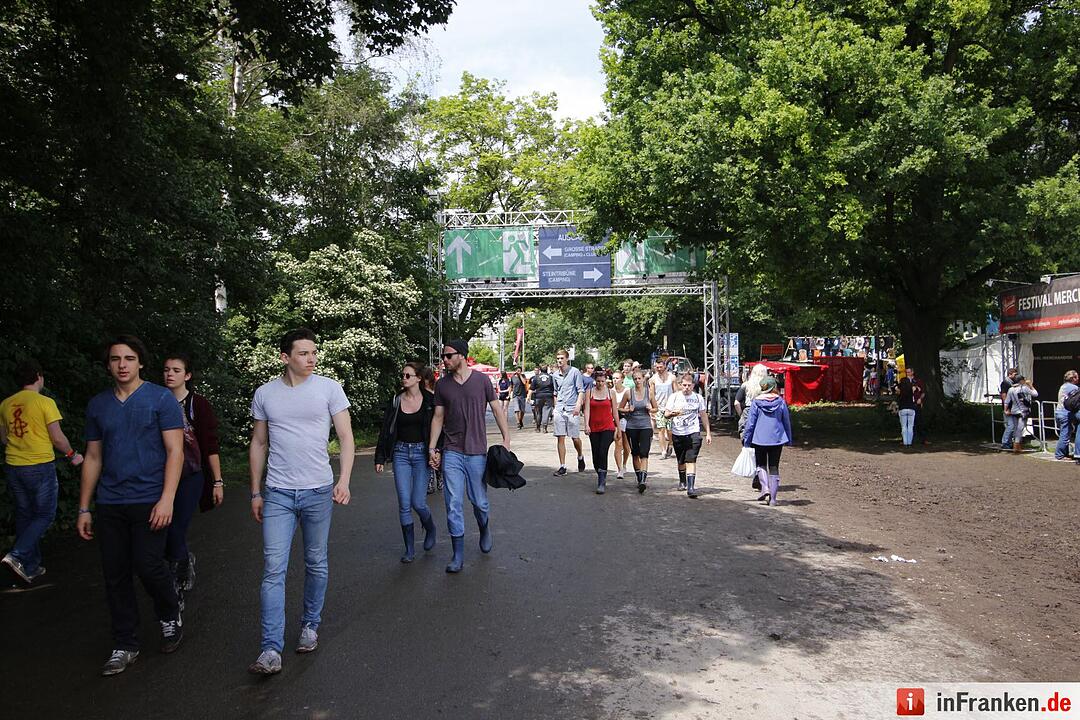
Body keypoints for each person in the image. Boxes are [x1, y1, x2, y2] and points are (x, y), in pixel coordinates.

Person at [248, 328, 354, 675]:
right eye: (304, 353)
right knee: (273, 569)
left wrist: (344, 480)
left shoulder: (328, 388)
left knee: (315, 562)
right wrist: (255, 491)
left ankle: (310, 625)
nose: (311, 358)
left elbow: (345, 437)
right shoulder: (265, 394)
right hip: (277, 491)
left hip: (318, 490)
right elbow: (259, 444)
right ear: (285, 357)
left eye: (314, 352)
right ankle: (270, 649)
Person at [77, 336, 185, 676]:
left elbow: (175, 452)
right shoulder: (98, 405)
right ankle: (125, 643)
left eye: (129, 358)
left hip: (151, 499)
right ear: (108, 364)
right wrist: (84, 507)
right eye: (115, 359)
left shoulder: (160, 399)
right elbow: (93, 456)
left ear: (140, 363)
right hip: (111, 502)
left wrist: (167, 498)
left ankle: (169, 613)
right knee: (115, 574)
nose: (122, 364)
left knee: (149, 565)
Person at [428, 339, 511, 573]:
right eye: (443, 356)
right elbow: (437, 417)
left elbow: (496, 408)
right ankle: (457, 555)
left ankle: (484, 528)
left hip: (476, 452)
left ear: (462, 356)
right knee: (453, 503)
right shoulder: (442, 385)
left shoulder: (482, 381)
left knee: (479, 502)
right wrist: (432, 448)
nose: (444, 360)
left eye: (448, 356)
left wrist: (506, 438)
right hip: (452, 451)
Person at [0, 359, 83, 584]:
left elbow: (3, 438)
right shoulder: (45, 402)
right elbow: (57, 437)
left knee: (25, 515)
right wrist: (72, 455)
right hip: (39, 466)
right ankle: (16, 555)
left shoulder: (6, 404)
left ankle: (31, 566)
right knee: (45, 515)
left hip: (14, 466)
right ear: (38, 376)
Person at [162, 354, 223, 608]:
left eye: (176, 370)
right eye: (166, 370)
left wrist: (218, 481)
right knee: (162, 531)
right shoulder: (155, 401)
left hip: (191, 476)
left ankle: (176, 583)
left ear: (187, 375)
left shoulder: (197, 404)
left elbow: (210, 444)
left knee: (176, 528)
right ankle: (182, 560)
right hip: (160, 477)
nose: (169, 374)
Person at [374, 362, 438, 562]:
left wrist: (437, 451)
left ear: (419, 378)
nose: (404, 378)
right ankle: (409, 549)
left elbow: (439, 427)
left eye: (408, 375)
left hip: (421, 454)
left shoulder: (430, 400)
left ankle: (430, 528)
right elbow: (386, 430)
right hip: (401, 453)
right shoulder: (396, 400)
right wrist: (380, 457)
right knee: (404, 503)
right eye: (402, 375)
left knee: (418, 502)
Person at [742, 376, 793, 506]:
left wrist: (747, 439)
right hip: (777, 439)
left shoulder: (756, 402)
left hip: (759, 439)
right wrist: (789, 438)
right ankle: (774, 499)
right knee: (774, 467)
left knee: (761, 464)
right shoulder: (780, 402)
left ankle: (765, 488)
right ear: (774, 387)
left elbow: (750, 424)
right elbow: (786, 421)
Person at [664, 373, 712, 498]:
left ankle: (691, 487)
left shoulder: (698, 398)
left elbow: (703, 415)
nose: (686, 388)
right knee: (681, 459)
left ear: (693, 385)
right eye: (684, 385)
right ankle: (682, 481)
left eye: (689, 385)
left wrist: (708, 433)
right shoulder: (674, 397)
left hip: (693, 432)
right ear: (680, 385)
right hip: (678, 432)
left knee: (691, 459)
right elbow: (666, 414)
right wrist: (672, 414)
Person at [619, 369, 657, 493]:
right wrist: (628, 410)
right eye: (635, 379)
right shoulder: (629, 393)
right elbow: (619, 408)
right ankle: (639, 477)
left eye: (639, 378)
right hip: (632, 426)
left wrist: (651, 409)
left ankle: (643, 480)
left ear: (643, 379)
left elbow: (656, 408)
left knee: (644, 453)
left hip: (645, 426)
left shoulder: (649, 393)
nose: (637, 381)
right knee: (635, 453)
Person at [583, 367, 619, 494]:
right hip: (594, 427)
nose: (600, 384)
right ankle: (599, 472)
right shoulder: (589, 392)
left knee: (603, 451)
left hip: (608, 427)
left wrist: (618, 428)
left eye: (602, 381)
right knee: (596, 454)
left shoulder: (611, 393)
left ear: (606, 381)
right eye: (598, 381)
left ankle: (601, 481)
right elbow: (586, 409)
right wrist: (586, 424)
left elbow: (615, 411)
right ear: (595, 381)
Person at [551, 350, 586, 475]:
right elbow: (555, 392)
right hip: (560, 408)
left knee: (575, 438)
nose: (559, 360)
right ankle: (562, 466)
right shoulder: (555, 375)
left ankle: (580, 455)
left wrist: (578, 406)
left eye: (562, 358)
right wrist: (555, 407)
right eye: (558, 358)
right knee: (560, 437)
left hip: (572, 409)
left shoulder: (575, 372)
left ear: (567, 359)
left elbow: (581, 390)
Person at [1003, 375, 1038, 453]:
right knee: (1020, 429)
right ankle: (1016, 446)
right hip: (1023, 411)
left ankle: (1017, 445)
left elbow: (1007, 401)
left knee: (1016, 429)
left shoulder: (1011, 389)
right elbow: (1035, 394)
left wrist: (1005, 410)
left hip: (1014, 411)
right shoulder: (1024, 388)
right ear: (1021, 381)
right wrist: (1031, 385)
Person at [649, 360, 675, 459]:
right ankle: (663, 451)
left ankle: (671, 444)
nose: (659, 369)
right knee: (660, 429)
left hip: (670, 407)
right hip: (659, 407)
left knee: (670, 430)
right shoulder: (653, 379)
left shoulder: (672, 378)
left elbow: (676, 391)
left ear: (665, 366)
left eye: (661, 367)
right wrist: (653, 407)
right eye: (657, 367)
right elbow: (651, 394)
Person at [734, 364, 769, 437]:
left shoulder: (746, 385)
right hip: (763, 411)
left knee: (747, 437)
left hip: (748, 411)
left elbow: (736, 403)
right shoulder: (768, 386)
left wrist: (741, 415)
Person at [1054, 370, 1078, 460]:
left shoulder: (1063, 386)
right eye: (1077, 376)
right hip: (1065, 413)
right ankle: (1059, 455)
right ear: (1073, 378)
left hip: (1058, 412)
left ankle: (1065, 453)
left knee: (1063, 433)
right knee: (1065, 434)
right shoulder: (1074, 388)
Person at [611, 371, 630, 480]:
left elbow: (630, 405)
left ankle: (624, 464)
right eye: (613, 378)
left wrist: (620, 407)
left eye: (617, 378)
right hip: (613, 420)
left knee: (627, 447)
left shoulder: (627, 391)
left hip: (626, 419)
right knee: (618, 443)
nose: (615, 380)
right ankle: (619, 469)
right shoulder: (610, 391)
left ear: (622, 379)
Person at [530, 364, 555, 433]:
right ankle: (544, 427)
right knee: (546, 412)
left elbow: (531, 388)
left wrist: (528, 397)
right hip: (548, 396)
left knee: (539, 412)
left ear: (540, 370)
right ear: (547, 370)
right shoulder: (551, 377)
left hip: (538, 396)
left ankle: (538, 428)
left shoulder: (536, 378)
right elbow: (554, 388)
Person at [999, 367, 1019, 448]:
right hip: (1008, 407)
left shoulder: (1013, 383)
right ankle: (1005, 442)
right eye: (1015, 374)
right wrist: (1006, 407)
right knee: (1011, 426)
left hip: (1013, 407)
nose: (1016, 376)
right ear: (1010, 374)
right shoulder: (1005, 383)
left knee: (1013, 426)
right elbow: (1004, 395)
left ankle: (1009, 442)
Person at [897, 371, 917, 446]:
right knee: (910, 426)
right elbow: (915, 390)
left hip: (902, 408)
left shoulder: (901, 390)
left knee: (904, 426)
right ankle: (909, 442)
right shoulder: (912, 388)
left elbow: (897, 390)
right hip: (911, 407)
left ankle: (905, 442)